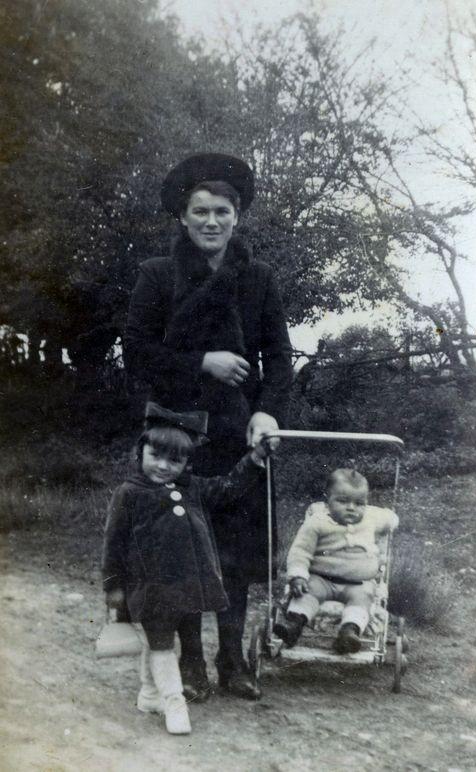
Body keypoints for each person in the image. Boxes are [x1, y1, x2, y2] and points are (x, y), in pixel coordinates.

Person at [124, 153, 293, 700]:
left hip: (236, 432)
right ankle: (192, 664)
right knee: (180, 548)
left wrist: (267, 412)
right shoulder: (157, 274)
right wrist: (203, 361)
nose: (211, 222)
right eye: (200, 211)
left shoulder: (259, 278)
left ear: (237, 215)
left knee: (235, 552)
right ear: (183, 216)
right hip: (174, 432)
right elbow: (137, 353)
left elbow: (279, 359)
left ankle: (234, 661)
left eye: (222, 211)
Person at [102, 403, 271, 735]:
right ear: (141, 452)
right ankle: (174, 701)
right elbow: (113, 544)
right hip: (149, 586)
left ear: (186, 462)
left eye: (175, 460)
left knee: (158, 641)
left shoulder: (191, 487)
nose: (164, 466)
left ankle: (150, 694)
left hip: (189, 586)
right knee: (164, 643)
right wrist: (113, 586)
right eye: (156, 456)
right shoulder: (129, 494)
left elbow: (228, 488)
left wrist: (254, 460)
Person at [274, 468, 398, 653]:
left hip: (358, 584)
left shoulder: (371, 518)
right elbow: (300, 551)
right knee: (306, 594)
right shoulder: (317, 522)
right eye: (342, 501)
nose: (351, 508)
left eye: (359, 503)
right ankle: (294, 625)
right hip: (321, 578)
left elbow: (391, 520)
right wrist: (298, 576)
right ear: (328, 500)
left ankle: (349, 633)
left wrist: (392, 518)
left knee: (362, 600)